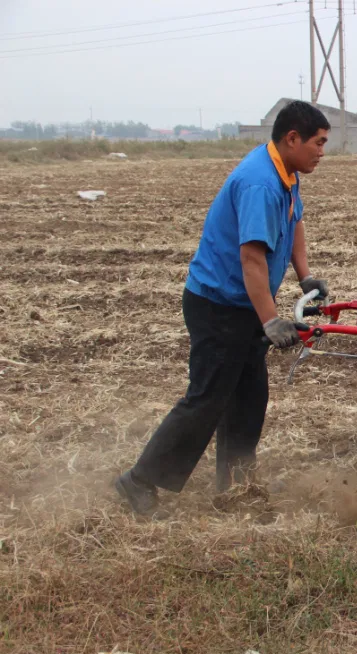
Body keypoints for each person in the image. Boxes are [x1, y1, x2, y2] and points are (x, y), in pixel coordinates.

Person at [114, 100, 332, 515]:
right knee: (207, 398)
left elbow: (295, 221)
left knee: (249, 397)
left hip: (245, 304)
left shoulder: (285, 174)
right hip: (218, 306)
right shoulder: (260, 183)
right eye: (318, 143)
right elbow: (251, 259)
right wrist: (270, 319)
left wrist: (304, 277)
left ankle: (234, 484)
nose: (322, 151)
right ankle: (138, 481)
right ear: (292, 139)